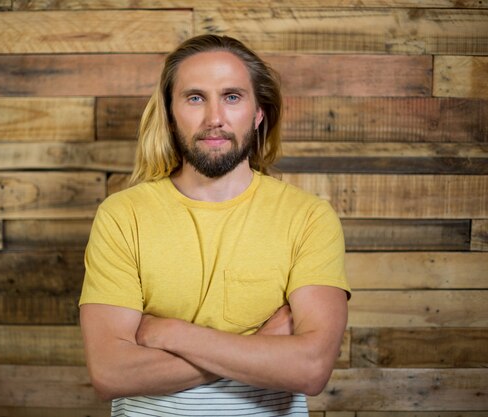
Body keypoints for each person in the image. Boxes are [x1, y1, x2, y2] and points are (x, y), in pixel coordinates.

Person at [79, 34, 350, 417]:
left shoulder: (307, 218)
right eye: (194, 98)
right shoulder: (123, 216)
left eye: (232, 96)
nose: (214, 118)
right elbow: (110, 373)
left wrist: (171, 334)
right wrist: (260, 347)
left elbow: (310, 368)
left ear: (258, 114)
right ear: (171, 115)